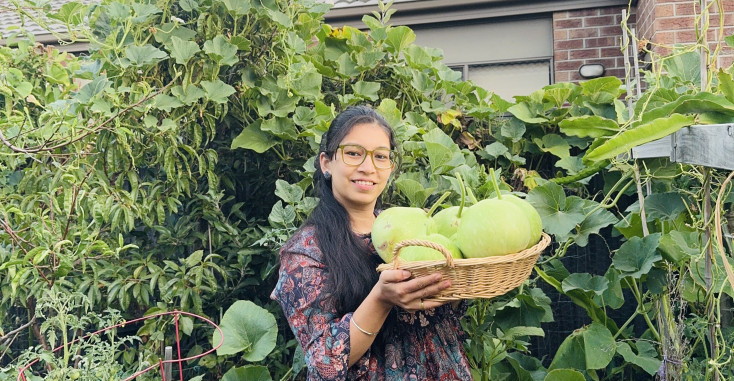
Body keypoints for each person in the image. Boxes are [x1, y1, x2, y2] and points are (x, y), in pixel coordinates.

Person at [271, 105, 472, 380]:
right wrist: (381, 299)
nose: (368, 167)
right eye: (354, 153)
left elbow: (448, 310)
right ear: (326, 163)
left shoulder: (414, 231)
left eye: (380, 156)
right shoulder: (306, 252)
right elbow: (323, 363)